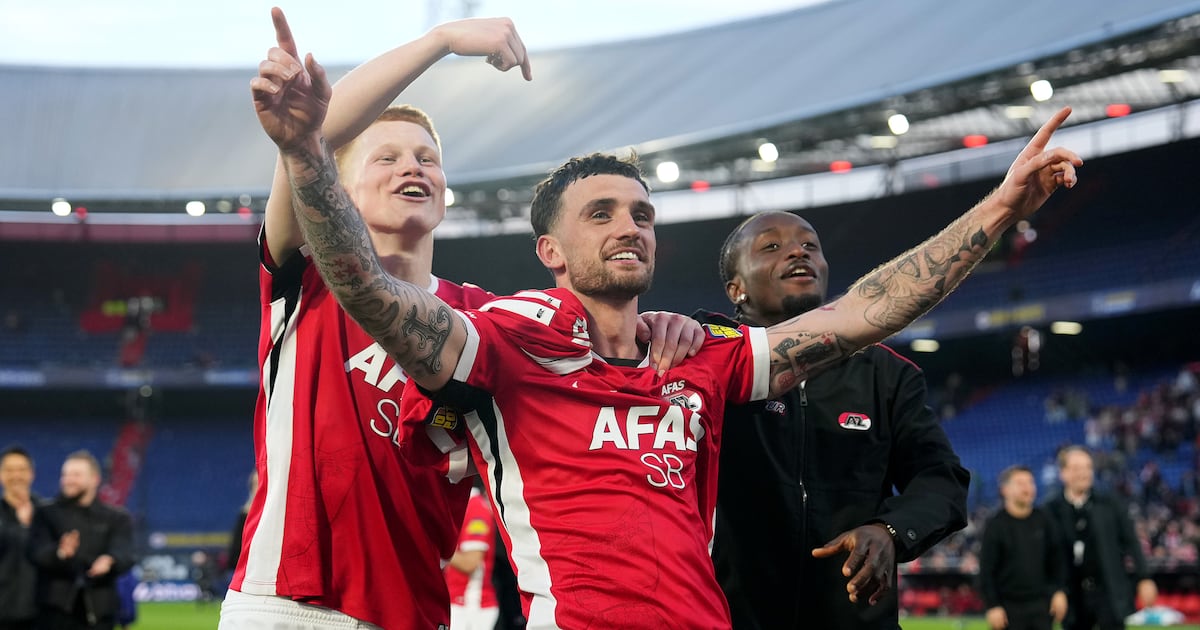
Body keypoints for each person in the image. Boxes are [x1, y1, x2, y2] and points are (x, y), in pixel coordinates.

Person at [252, 14, 1082, 625]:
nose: (628, 228)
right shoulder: (506, 340)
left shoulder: (701, 353)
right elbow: (359, 280)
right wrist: (305, 149)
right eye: (602, 213)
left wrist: (1001, 206)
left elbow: (865, 312)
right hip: (308, 597)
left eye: (642, 215)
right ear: (548, 249)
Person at [225, 10, 701, 630]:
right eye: (385, 158)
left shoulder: (486, 320)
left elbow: (598, 350)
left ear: (446, 192)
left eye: (427, 158)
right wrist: (440, 41)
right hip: (291, 603)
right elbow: (307, 138)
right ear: (339, 189)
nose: (411, 168)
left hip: (424, 611)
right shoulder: (305, 275)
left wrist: (664, 328)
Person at [695, 210, 970, 629]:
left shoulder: (888, 375)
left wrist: (891, 530)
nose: (796, 252)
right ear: (737, 288)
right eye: (772, 246)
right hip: (729, 618)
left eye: (810, 246)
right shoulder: (701, 362)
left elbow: (942, 479)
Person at [1045, 446, 1157, 630]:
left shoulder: (1110, 503)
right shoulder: (1051, 510)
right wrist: (1055, 590)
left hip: (1109, 592)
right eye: (1077, 468)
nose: (1084, 473)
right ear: (1062, 474)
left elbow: (1131, 542)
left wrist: (1144, 578)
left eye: (1088, 467)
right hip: (1073, 596)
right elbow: (1047, 557)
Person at [28, 450, 135, 630]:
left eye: (76, 475)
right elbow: (35, 552)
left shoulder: (116, 518)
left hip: (99, 612)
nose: (68, 480)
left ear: (94, 479)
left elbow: (126, 552)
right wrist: (60, 553)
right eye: (65, 474)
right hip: (54, 613)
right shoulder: (45, 513)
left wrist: (110, 560)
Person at [979, 465, 1067, 630]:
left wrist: (1058, 591)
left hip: (1041, 607)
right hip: (1008, 608)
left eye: (1030, 482)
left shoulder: (1045, 520)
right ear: (1004, 489)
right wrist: (992, 605)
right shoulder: (995, 526)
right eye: (1020, 483)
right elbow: (986, 571)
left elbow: (1057, 561)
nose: (1028, 488)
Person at [446, 486, 500, 630]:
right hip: (453, 601)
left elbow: (470, 563)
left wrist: (432, 546)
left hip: (471, 605)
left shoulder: (475, 507)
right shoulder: (452, 503)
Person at [0, 446, 40, 630]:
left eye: (21, 470)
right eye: (9, 470)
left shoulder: (48, 513)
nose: (16, 475)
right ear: (1, 475)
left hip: (40, 614)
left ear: (31, 474)